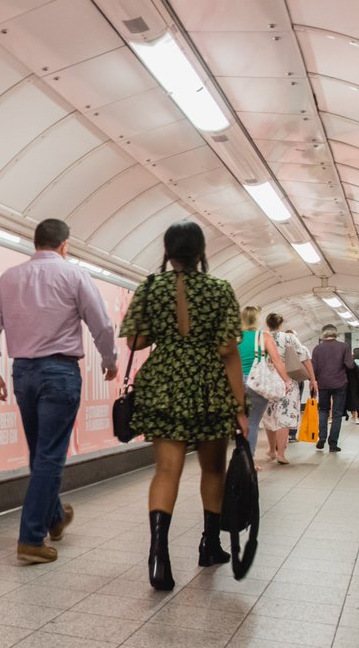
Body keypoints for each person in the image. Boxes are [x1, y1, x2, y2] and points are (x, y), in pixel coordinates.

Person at [0, 218, 118, 565]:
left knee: (40, 451)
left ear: (36, 242)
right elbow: (100, 321)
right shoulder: (74, 275)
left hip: (23, 372)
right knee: (51, 455)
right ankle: (30, 538)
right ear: (64, 245)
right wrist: (110, 359)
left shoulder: (9, 278)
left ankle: (55, 517)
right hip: (59, 372)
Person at [118, 220, 247, 591]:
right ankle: (210, 544)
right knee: (213, 469)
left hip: (164, 383)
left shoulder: (151, 287)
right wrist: (239, 407)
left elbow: (136, 342)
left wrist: (166, 326)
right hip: (208, 385)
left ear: (167, 252)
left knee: (166, 470)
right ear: (201, 252)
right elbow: (227, 350)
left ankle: (158, 555)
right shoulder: (219, 289)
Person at [239, 306, 291, 469]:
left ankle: (239, 457)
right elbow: (276, 361)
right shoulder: (264, 337)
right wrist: (286, 381)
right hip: (257, 384)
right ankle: (249, 461)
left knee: (239, 423)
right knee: (252, 423)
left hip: (235, 383)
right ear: (257, 320)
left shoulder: (234, 338)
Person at [261, 314, 316, 464]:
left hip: (267, 381)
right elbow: (304, 356)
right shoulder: (289, 338)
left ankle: (272, 450)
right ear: (281, 324)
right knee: (284, 416)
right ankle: (281, 454)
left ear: (267, 324)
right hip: (287, 380)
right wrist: (312, 379)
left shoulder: (261, 337)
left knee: (269, 415)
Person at [311, 325, 355, 452]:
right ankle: (333, 443)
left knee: (323, 410)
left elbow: (314, 369)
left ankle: (322, 437)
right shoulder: (344, 346)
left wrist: (313, 382)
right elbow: (350, 365)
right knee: (337, 413)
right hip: (340, 383)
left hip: (323, 384)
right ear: (336, 333)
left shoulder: (317, 349)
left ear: (323, 334)